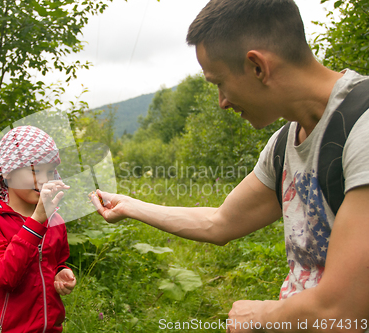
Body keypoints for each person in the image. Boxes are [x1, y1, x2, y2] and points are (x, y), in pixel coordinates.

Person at [91, 0, 369, 332]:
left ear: (257, 67)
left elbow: (340, 310)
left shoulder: (362, 127)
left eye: (219, 82)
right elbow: (219, 222)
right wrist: (130, 205)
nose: (222, 102)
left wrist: (261, 316)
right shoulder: (283, 144)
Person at [0, 125, 76, 333]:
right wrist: (37, 220)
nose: (45, 179)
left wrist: (61, 273)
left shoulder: (55, 221)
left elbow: (55, 261)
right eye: (35, 170)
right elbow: (4, 276)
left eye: (50, 171)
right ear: (8, 173)